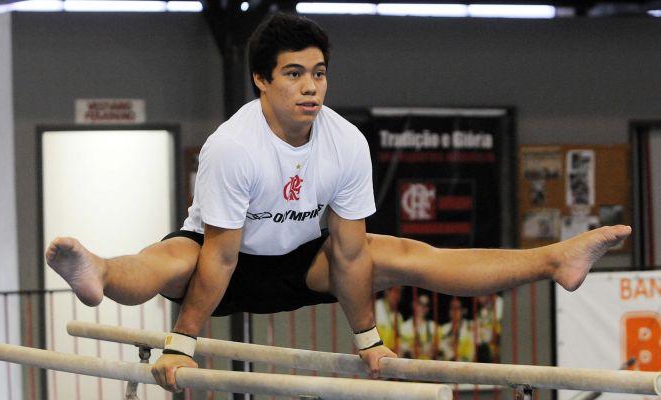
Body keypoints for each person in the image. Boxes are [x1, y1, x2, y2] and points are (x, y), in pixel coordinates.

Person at [44, 12, 632, 393]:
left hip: (303, 261)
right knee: (165, 260)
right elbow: (221, 258)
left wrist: (367, 337)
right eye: (294, 74)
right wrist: (182, 343)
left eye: (319, 74)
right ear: (261, 80)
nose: (311, 88)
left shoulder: (345, 141)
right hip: (218, 262)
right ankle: (98, 273)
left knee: (396, 250)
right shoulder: (233, 146)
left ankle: (553, 260)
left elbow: (349, 256)